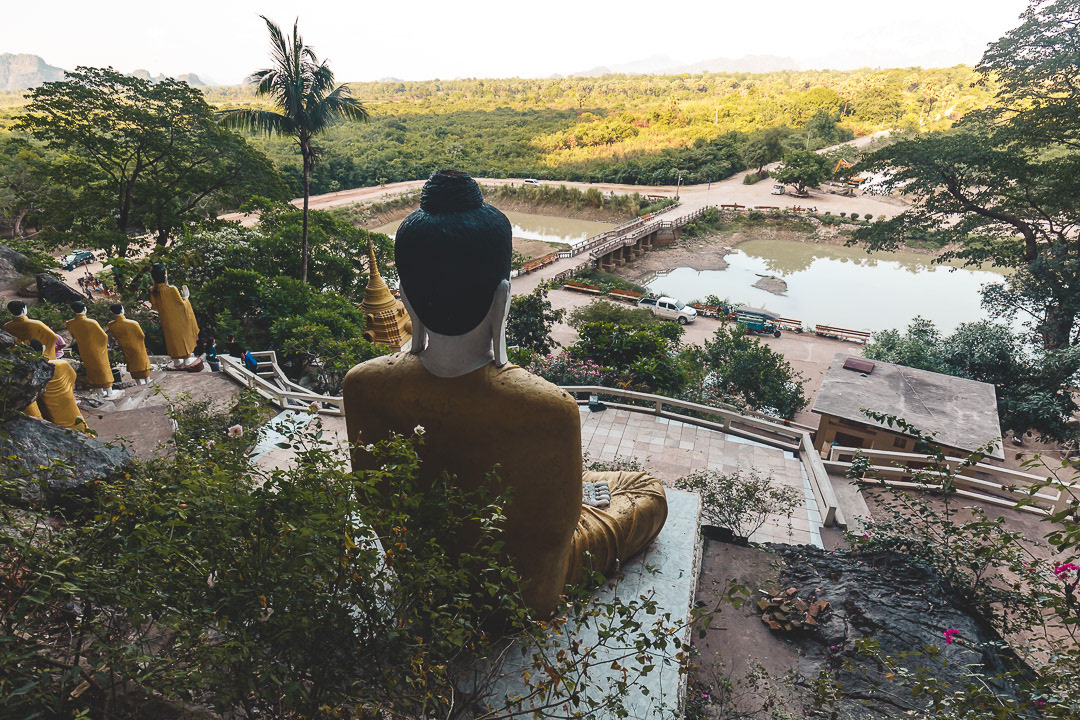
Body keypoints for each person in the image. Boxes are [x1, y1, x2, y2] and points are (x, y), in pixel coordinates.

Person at [343, 171, 667, 616]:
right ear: (503, 299)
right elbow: (559, 533)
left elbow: (378, 504)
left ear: (406, 300)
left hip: (424, 579)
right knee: (646, 489)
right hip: (526, 595)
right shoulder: (547, 408)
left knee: (598, 483)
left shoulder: (362, 385)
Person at [148, 263, 202, 372]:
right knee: (182, 337)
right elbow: (181, 305)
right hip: (178, 319)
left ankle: (176, 360)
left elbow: (154, 306)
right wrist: (186, 297)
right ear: (165, 275)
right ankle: (186, 359)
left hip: (166, 321)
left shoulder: (152, 291)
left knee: (171, 339)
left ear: (152, 277)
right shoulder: (172, 289)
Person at [28, 339, 89, 433]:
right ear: (42, 351)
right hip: (67, 400)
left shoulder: (30, 373)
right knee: (76, 423)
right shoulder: (61, 364)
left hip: (48, 409)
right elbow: (73, 377)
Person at [65, 301, 117, 398]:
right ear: (85, 309)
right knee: (103, 368)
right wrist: (101, 346)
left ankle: (99, 392)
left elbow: (74, 336)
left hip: (84, 349)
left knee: (91, 369)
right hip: (97, 349)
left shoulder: (70, 323)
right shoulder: (91, 322)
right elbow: (104, 336)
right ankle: (109, 391)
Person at [107, 303, 152, 385]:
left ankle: (138, 381)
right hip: (136, 345)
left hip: (124, 346)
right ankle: (147, 380)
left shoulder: (111, 325)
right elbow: (141, 335)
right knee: (142, 362)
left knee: (131, 362)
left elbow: (114, 336)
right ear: (122, 310)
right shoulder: (133, 323)